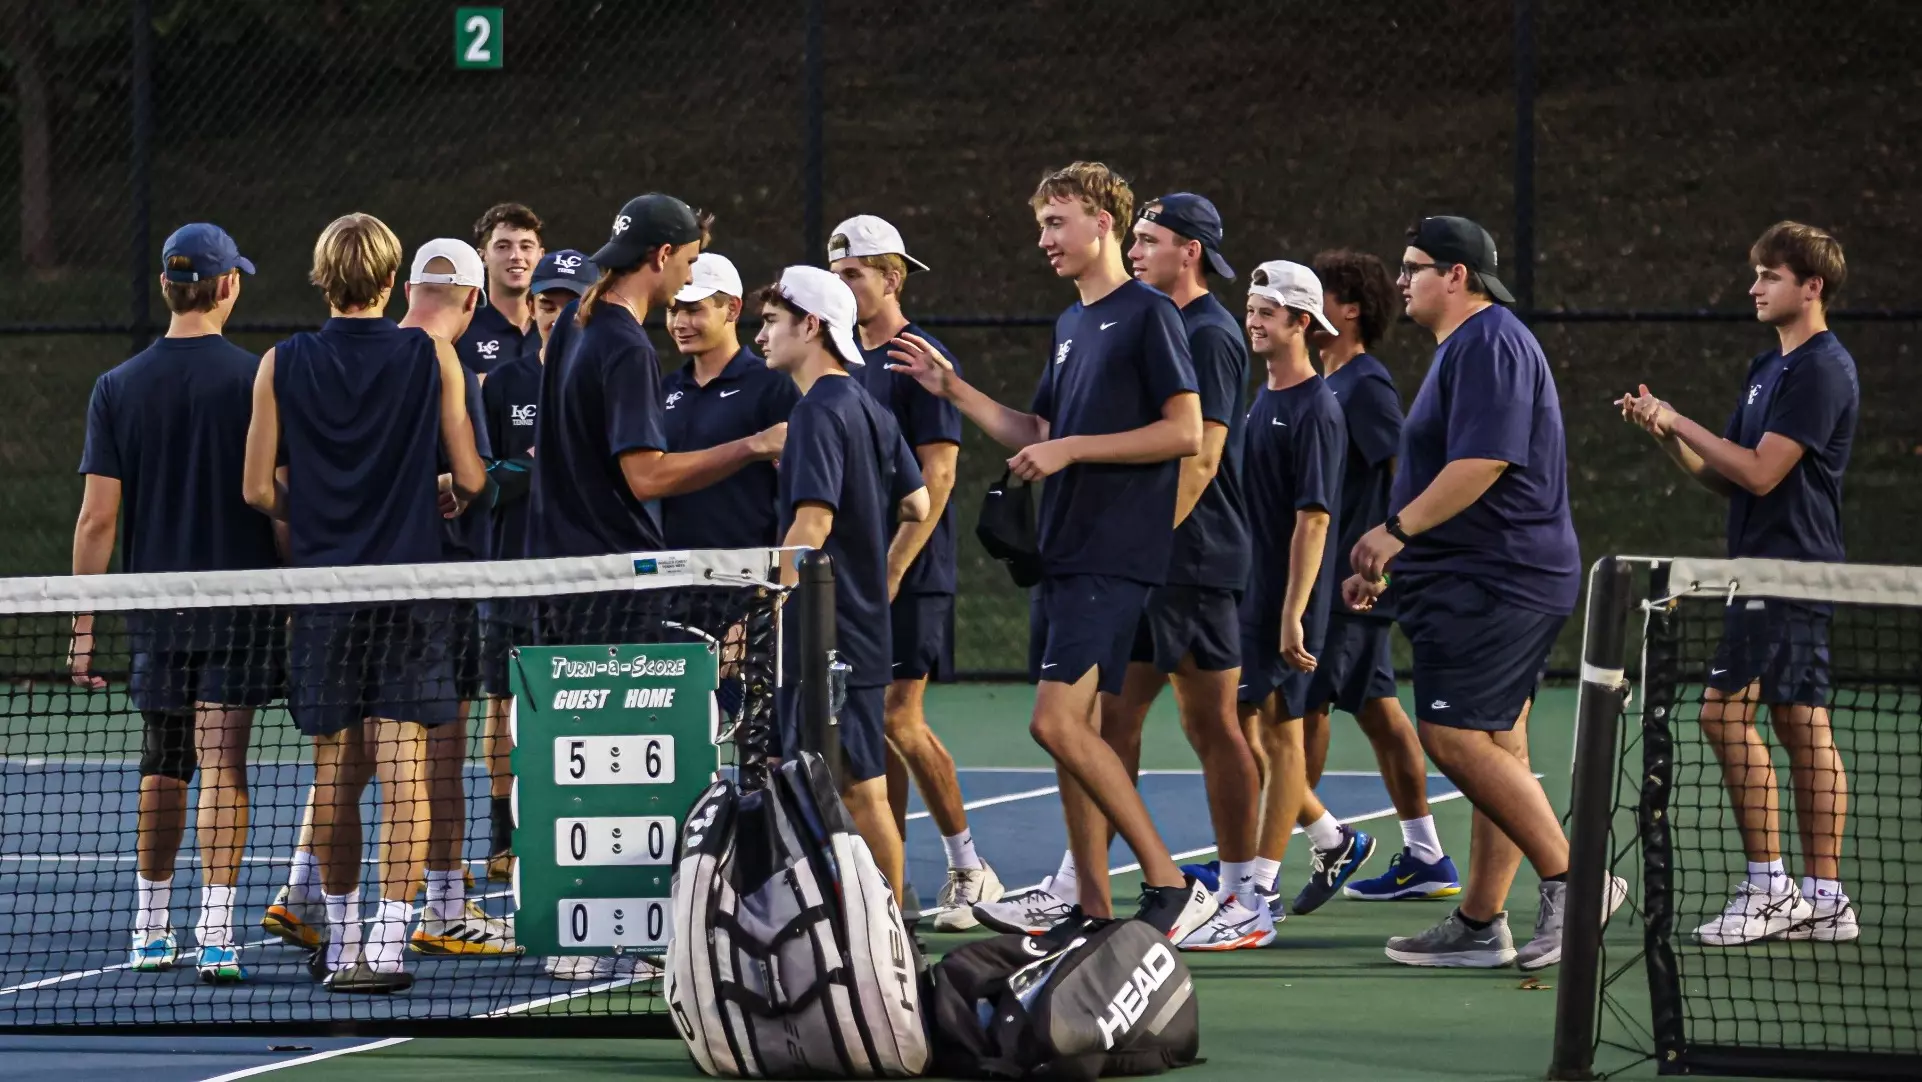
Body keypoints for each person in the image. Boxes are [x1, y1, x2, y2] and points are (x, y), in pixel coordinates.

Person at [892, 161, 1218, 943]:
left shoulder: (1148, 314)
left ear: (1103, 222)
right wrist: (954, 391)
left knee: (1055, 722)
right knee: (1072, 729)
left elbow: (1184, 432)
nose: (1044, 238)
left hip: (1114, 551)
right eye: (1041, 223)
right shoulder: (1073, 323)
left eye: (1056, 221)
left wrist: (1073, 452)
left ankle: (1173, 886)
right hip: (1064, 549)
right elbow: (1036, 432)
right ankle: (1092, 906)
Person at [1348, 216, 1620, 969]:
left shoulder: (1490, 342)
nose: (1401, 281)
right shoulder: (1467, 347)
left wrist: (1394, 531)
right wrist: (1396, 560)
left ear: (1457, 275)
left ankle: (1578, 881)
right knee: (1497, 742)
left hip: (1498, 579)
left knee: (1455, 737)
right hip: (1483, 575)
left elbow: (1484, 462)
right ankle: (1479, 924)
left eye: (1414, 267)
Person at [243, 212, 487, 993]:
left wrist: (316, 512)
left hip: (324, 595)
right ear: (392, 281)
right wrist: (440, 490)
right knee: (403, 768)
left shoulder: (281, 362)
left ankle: (344, 942)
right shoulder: (432, 355)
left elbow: (255, 489)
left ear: (323, 278)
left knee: (336, 767)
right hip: (409, 594)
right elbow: (474, 479)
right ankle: (388, 941)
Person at [1618, 221, 1859, 944]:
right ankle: (1823, 897)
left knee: (1725, 717)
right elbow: (1732, 481)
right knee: (1797, 722)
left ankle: (1772, 888)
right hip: (1759, 567)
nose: (1754, 287)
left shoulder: (1822, 369)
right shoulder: (1767, 369)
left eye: (1770, 276)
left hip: (1789, 572)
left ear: (1810, 287)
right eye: (1755, 274)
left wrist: (1680, 417)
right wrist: (1668, 437)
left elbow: (1761, 470)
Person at [71, 223, 279, 984]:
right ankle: (216, 934)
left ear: (167, 287)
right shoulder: (259, 379)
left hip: (156, 611)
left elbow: (97, 519)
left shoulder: (116, 387)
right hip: (241, 608)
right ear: (227, 286)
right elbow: (276, 502)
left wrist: (83, 626)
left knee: (164, 762)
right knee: (224, 759)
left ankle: (150, 930)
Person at [1077, 193, 1264, 951]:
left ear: (1189, 251)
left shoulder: (1211, 332)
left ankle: (1241, 893)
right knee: (1127, 719)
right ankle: (1093, 875)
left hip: (1190, 559)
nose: (1137, 250)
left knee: (1189, 721)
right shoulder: (1156, 322)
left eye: (1149, 239)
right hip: (1168, 558)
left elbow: (1203, 454)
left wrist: (1139, 545)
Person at [829, 214, 1004, 931]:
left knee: (900, 716)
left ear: (891, 278)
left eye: (854, 276)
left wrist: (894, 566)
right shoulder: (839, 355)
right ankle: (884, 874)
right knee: (867, 725)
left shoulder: (918, 355)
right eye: (835, 274)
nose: (843, 287)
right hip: (850, 572)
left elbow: (942, 470)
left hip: (910, 572)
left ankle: (970, 867)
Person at [758, 265, 930, 904]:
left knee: (859, 790)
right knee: (819, 779)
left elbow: (812, 524)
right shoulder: (869, 406)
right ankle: (861, 920)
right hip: (852, 627)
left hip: (825, 635)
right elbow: (916, 504)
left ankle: (893, 932)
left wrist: (763, 605)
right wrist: (877, 568)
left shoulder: (816, 412)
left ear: (811, 325)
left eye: (774, 322)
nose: (763, 336)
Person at [1297, 249, 1460, 909]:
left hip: (1349, 587)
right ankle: (1425, 854)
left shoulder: (1364, 385)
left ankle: (1261, 875)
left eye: (1319, 296)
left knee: (1299, 714)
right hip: (1329, 584)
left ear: (1350, 308)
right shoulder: (1323, 382)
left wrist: (1385, 561)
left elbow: (1404, 473)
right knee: (1380, 713)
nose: (1306, 307)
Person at [524, 194, 783, 573]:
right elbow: (647, 478)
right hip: (610, 577)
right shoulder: (628, 347)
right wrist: (755, 445)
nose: (690, 276)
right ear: (663, 255)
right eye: (690, 261)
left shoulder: (573, 320)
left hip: (552, 569)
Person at [395, 239, 517, 957]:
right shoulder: (451, 368)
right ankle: (439, 905)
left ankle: (313, 892)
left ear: (408, 287)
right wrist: (458, 484)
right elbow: (469, 481)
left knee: (348, 749)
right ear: (474, 301)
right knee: (437, 750)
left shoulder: (328, 360)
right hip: (438, 589)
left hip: (343, 584)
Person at [1233, 261, 1346, 929]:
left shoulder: (1316, 408)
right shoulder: (1264, 396)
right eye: (1250, 309)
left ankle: (1260, 893)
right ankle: (1331, 838)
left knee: (1277, 736)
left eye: (1267, 312)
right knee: (1242, 726)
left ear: (1301, 323)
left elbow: (1315, 518)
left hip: (1286, 600)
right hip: (1253, 592)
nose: (1253, 321)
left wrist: (1293, 613)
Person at [476, 246, 593, 883]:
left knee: (575, 706)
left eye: (566, 303)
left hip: (583, 580)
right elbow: (484, 477)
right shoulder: (507, 383)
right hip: (510, 570)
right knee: (503, 707)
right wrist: (533, 465)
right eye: (545, 303)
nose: (553, 314)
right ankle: (506, 835)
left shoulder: (608, 378)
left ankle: (566, 826)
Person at [660, 251, 798, 550]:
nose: (680, 323)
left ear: (733, 309)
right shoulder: (662, 389)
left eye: (694, 310)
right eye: (673, 310)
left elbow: (797, 493)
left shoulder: (773, 385)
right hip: (669, 579)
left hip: (748, 578)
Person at [456, 202, 544, 378]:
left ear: (540, 255)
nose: (516, 256)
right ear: (482, 256)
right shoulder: (461, 328)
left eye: (526, 247)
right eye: (503, 246)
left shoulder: (560, 329)